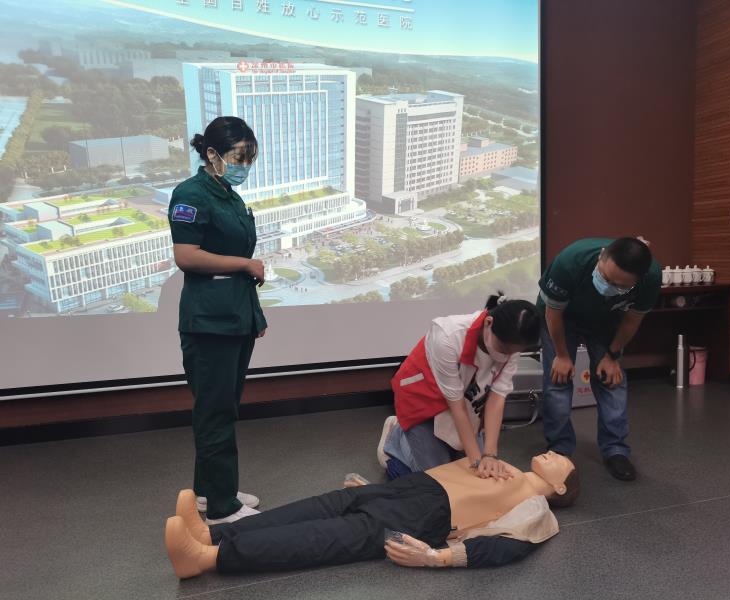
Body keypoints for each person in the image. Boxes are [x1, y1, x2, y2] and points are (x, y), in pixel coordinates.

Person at [164, 451, 578, 578]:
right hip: (415, 488)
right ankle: (211, 535)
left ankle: (206, 558)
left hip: (428, 516)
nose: (553, 453)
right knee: (315, 507)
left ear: (560, 487)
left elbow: (506, 548)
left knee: (319, 538)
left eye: (561, 461)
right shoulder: (506, 465)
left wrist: (436, 557)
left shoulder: (539, 510)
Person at [169, 116, 268, 524]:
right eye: (238, 157)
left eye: (250, 159)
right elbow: (186, 255)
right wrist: (245, 264)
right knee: (215, 414)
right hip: (210, 323)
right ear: (212, 154)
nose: (244, 166)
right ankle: (222, 509)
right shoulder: (191, 194)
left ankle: (210, 492)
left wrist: (254, 317)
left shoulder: (227, 194)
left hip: (234, 318)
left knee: (221, 409)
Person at [376, 293, 541, 481]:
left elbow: (497, 398)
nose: (507, 356)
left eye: (513, 352)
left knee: (474, 472)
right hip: (423, 399)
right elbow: (457, 408)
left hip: (466, 397)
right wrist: (477, 462)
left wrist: (489, 455)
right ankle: (395, 440)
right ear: (489, 323)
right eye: (503, 349)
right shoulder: (448, 337)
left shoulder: (513, 343)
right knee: (438, 480)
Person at [537, 237, 660, 482]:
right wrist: (562, 355)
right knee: (558, 381)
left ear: (638, 280)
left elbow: (632, 320)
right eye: (605, 277)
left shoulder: (651, 277)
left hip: (606, 320)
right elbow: (553, 314)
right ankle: (559, 450)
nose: (608, 286)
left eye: (619, 286)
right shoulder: (571, 261)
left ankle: (615, 450)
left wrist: (612, 355)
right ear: (602, 256)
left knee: (612, 381)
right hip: (562, 318)